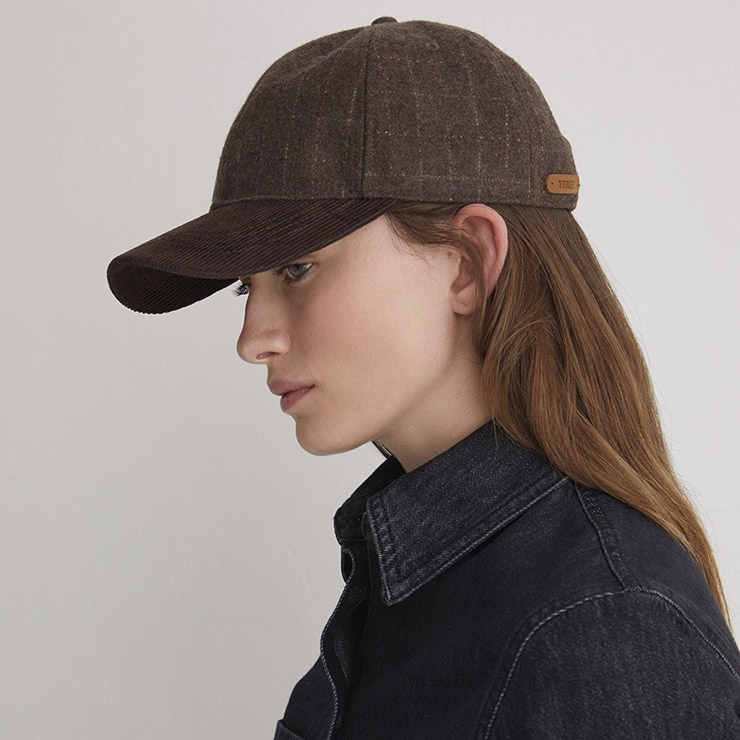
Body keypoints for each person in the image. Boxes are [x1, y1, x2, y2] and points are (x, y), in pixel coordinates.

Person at [106, 17, 740, 739]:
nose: (253, 341)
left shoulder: (599, 627)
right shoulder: (434, 582)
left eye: (298, 268)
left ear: (466, 264)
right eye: (248, 288)